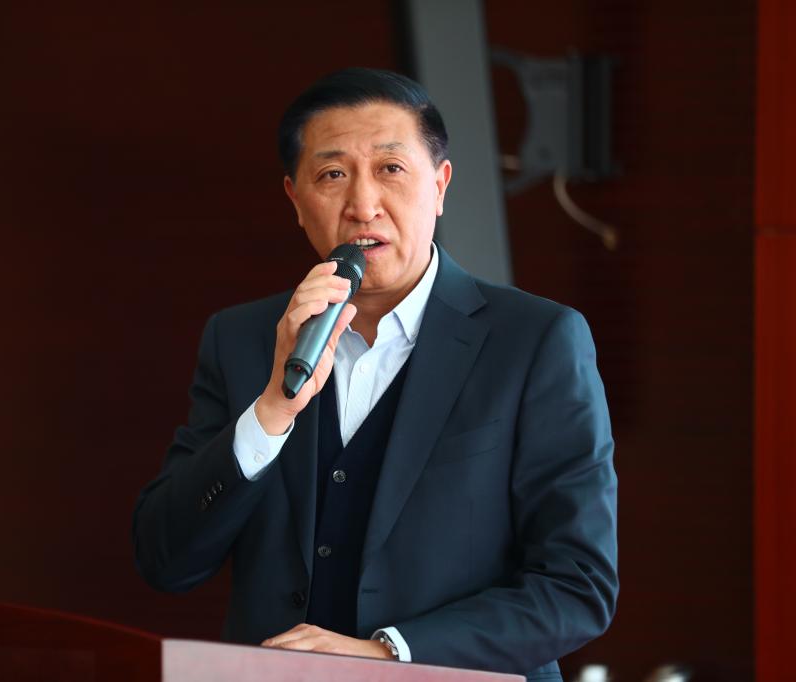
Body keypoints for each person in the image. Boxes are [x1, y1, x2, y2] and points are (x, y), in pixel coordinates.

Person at [132, 68, 617, 681]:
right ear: (295, 200)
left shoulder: (536, 340)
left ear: (440, 186)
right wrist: (271, 410)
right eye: (332, 175)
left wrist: (389, 654)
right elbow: (166, 560)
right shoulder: (242, 339)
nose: (363, 205)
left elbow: (578, 586)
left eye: (391, 168)